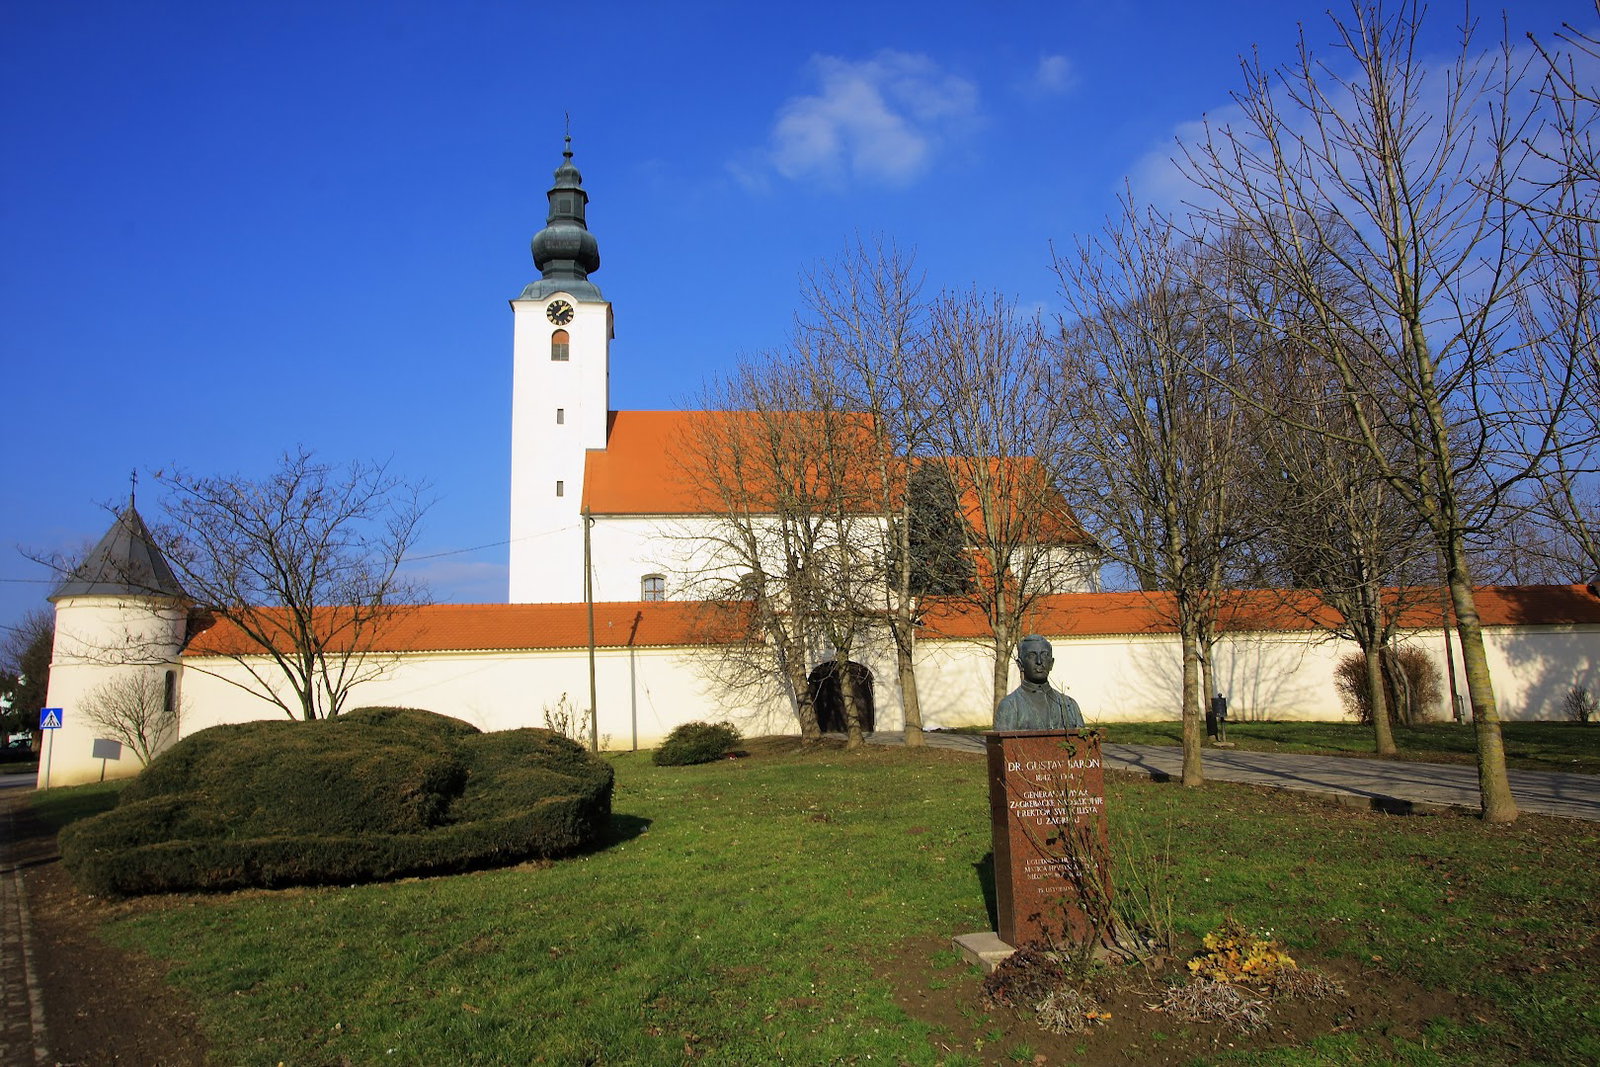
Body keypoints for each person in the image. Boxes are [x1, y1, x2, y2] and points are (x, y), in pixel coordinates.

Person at [994, 634, 1085, 731]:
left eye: (1044, 655)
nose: (1039, 661)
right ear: (1020, 664)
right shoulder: (1009, 706)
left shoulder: (1069, 705)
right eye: (1031, 655)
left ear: (1051, 663)